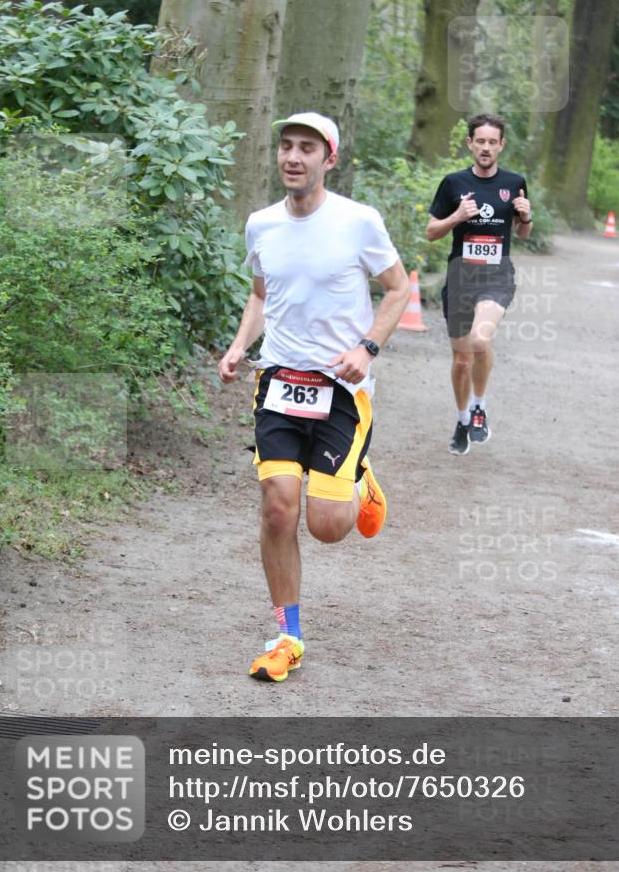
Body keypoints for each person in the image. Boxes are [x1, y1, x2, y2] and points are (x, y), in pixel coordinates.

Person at [218, 112, 410, 682]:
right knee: (279, 507)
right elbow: (261, 295)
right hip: (278, 381)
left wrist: (368, 347)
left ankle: (358, 478)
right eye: (285, 147)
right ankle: (287, 635)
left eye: (306, 148)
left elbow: (399, 289)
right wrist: (237, 346)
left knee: (327, 525)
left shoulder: (358, 222)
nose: (293, 157)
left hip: (343, 390)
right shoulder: (261, 224)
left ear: (329, 159)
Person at [426, 114, 532, 455]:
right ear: (470, 143)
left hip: (496, 275)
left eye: (492, 142)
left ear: (501, 145)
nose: (486, 148)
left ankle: (480, 406)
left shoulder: (515, 181)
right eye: (480, 141)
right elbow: (431, 232)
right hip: (460, 276)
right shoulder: (453, 183)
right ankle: (462, 418)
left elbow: (523, 232)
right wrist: (457, 217)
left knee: (479, 339)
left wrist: (527, 216)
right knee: (460, 361)